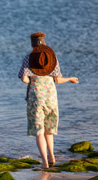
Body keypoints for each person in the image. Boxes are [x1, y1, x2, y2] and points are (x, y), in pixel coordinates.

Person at [18, 32, 78, 169]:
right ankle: (52, 156)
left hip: (35, 97)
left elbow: (24, 79)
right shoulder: (52, 58)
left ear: (32, 44)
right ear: (44, 43)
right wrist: (70, 79)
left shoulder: (28, 58)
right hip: (51, 97)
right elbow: (58, 80)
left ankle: (44, 162)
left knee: (39, 130)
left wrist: (30, 79)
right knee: (48, 129)